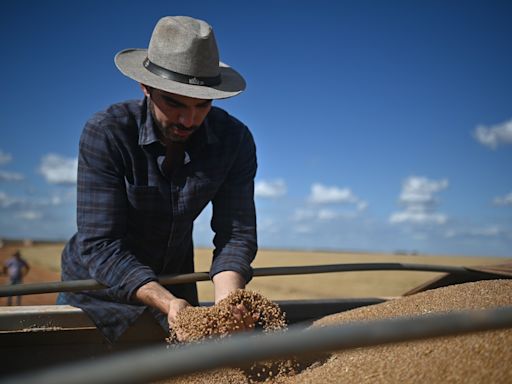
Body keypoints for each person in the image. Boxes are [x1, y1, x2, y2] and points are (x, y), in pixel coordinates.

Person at [58, 16, 258, 343]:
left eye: (202, 104)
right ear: (146, 87)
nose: (189, 119)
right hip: (97, 295)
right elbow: (101, 245)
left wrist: (228, 302)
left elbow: (236, 232)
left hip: (177, 287)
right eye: (175, 103)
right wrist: (166, 302)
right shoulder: (107, 133)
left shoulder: (234, 140)